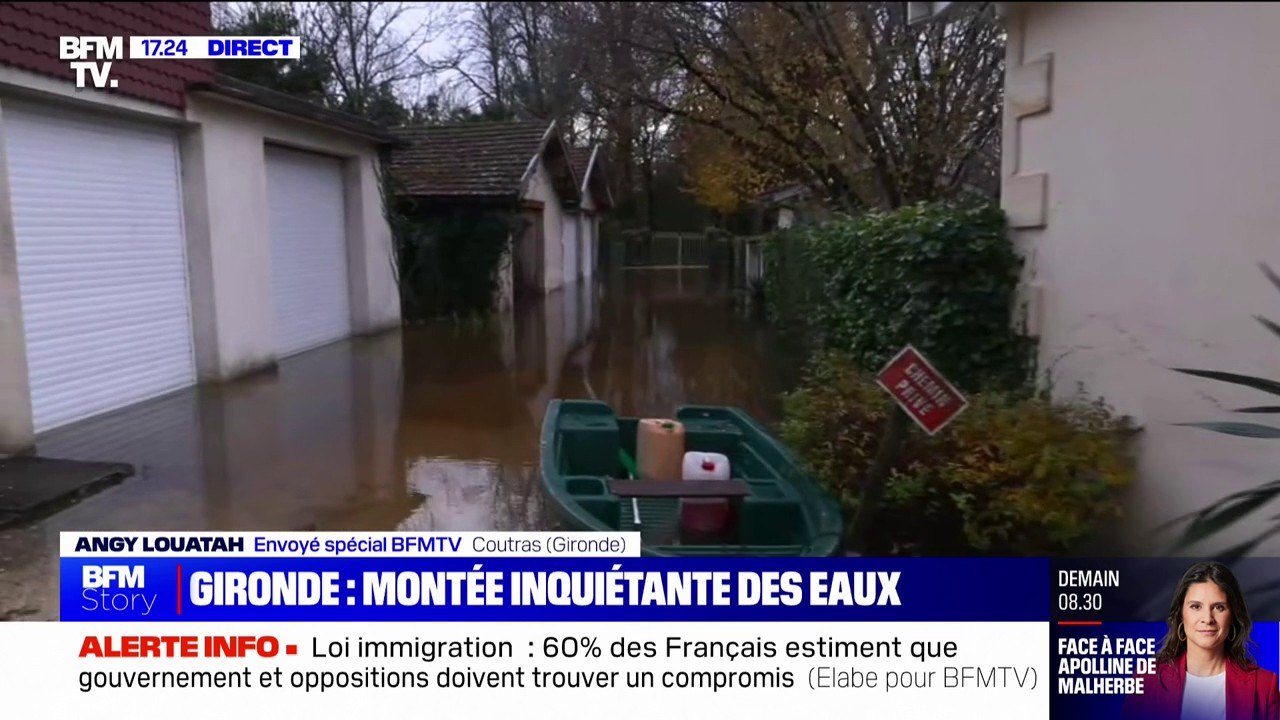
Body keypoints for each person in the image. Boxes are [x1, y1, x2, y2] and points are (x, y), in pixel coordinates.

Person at [1124, 562, 1279, 720]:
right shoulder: (1148, 679)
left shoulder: (1264, 685)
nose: (1207, 619)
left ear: (1232, 615)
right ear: (1181, 615)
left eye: (1218, 607)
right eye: (1196, 607)